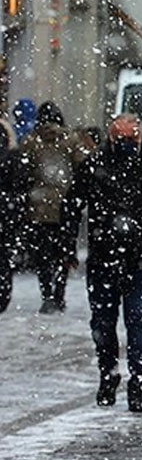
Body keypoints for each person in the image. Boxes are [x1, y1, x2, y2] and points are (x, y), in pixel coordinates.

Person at [63, 115, 142, 412]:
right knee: (105, 321)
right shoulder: (96, 167)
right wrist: (67, 246)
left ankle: (137, 381)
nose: (126, 143)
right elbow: (72, 205)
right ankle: (110, 374)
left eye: (131, 137)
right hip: (107, 257)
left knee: (136, 320)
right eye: (121, 137)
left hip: (139, 258)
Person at [20, 101, 86, 313]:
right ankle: (60, 292)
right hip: (65, 206)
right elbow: (83, 167)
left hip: (38, 207)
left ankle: (47, 293)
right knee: (63, 252)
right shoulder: (71, 141)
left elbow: (23, 171)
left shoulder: (32, 141)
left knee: (42, 255)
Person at [0, 122, 25, 313]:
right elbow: (20, 185)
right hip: (6, 214)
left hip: (6, 212)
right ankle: (3, 294)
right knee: (3, 257)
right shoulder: (13, 158)